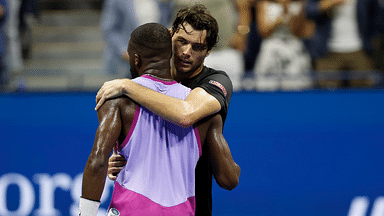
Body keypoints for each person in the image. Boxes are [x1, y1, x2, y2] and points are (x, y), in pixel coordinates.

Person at [79, 22, 240, 216]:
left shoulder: (118, 98)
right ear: (171, 47)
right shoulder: (205, 110)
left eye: (197, 46)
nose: (187, 52)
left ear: (136, 59)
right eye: (182, 42)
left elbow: (97, 161)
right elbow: (229, 179)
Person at [305, 0, 377, 88]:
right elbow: (308, 11)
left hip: (360, 50)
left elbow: (377, 16)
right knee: (327, 94)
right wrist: (329, 3)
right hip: (327, 52)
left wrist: (373, 40)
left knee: (363, 94)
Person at [252, 0, 314, 91]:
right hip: (270, 50)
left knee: (296, 87)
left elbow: (299, 31)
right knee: (266, 88)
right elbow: (263, 32)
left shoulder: (299, 4)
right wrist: (276, 23)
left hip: (293, 49)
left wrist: (287, 10)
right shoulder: (264, 3)